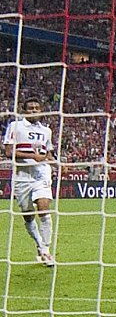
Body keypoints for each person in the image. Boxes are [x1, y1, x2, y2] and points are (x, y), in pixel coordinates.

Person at [3, 97, 56, 267]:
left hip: (41, 173)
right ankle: (39, 245)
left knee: (43, 207)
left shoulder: (47, 131)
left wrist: (56, 163)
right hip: (22, 176)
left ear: (41, 111)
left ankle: (46, 250)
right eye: (30, 108)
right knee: (27, 215)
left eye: (37, 108)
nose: (34, 110)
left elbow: (48, 154)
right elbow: (8, 152)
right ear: (24, 111)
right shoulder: (15, 126)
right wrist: (32, 156)